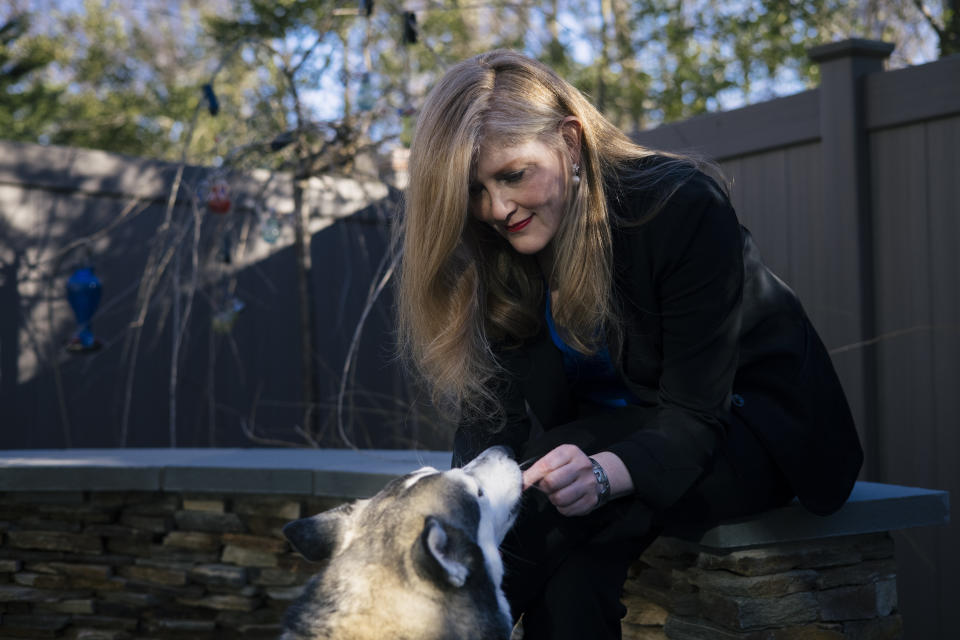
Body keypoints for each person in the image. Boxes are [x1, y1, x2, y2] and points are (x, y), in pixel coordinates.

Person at [396, 50, 862, 640]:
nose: (496, 208)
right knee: (567, 565)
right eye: (474, 190)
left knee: (547, 486)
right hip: (615, 444)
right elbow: (492, 424)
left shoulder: (678, 206)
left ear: (569, 141)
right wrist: (466, 505)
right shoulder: (499, 247)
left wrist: (600, 475)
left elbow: (695, 414)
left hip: (747, 432)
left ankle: (432, 628)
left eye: (512, 175)